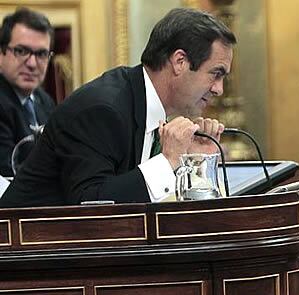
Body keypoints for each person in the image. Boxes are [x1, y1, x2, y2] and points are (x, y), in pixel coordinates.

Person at [0, 8, 234, 207]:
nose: (218, 89)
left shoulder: (143, 103)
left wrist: (190, 163)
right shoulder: (103, 109)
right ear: (179, 61)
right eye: (216, 74)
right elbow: (91, 206)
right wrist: (167, 161)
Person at [0, 7, 56, 176]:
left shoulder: (45, 101)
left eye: (41, 54)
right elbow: (7, 169)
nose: (32, 63)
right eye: (22, 51)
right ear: (1, 53)